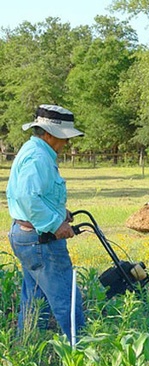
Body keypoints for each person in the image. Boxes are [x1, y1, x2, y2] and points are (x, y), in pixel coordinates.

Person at [6, 104, 86, 343]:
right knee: (66, 299)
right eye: (64, 138)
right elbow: (27, 196)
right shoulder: (38, 156)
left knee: (34, 299)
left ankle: (26, 350)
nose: (67, 143)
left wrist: (60, 212)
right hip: (40, 240)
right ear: (49, 134)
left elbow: (38, 195)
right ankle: (81, 351)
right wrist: (55, 223)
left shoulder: (34, 150)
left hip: (27, 236)